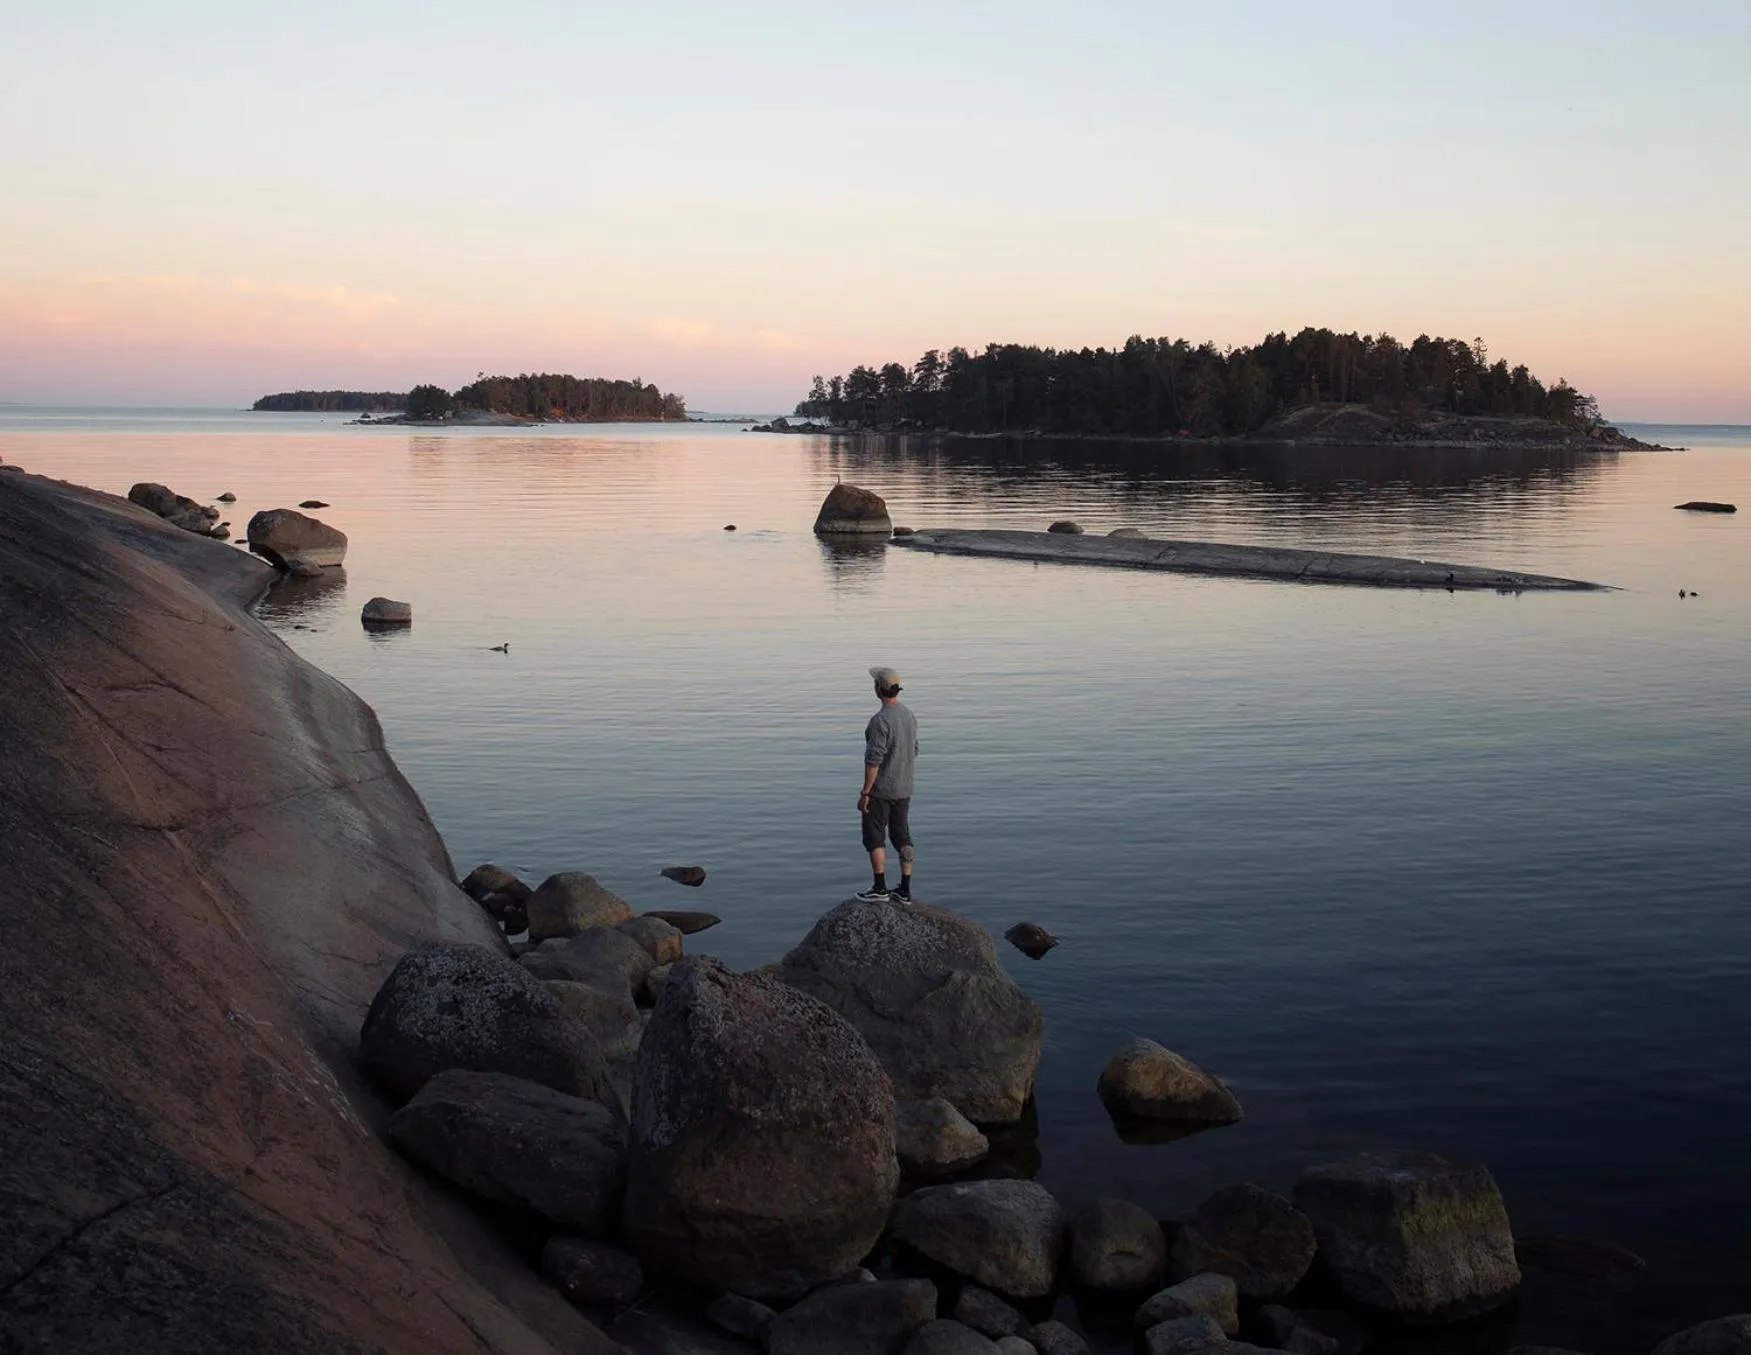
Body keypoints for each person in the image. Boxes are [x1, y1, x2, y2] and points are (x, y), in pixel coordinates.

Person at [855, 666, 919, 902]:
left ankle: (880, 887)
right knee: (902, 835)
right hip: (904, 787)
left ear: (878, 690)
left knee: (875, 836)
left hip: (882, 789)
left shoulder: (879, 721)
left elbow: (874, 760)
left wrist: (866, 793)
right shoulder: (909, 716)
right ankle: (905, 889)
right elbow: (914, 750)